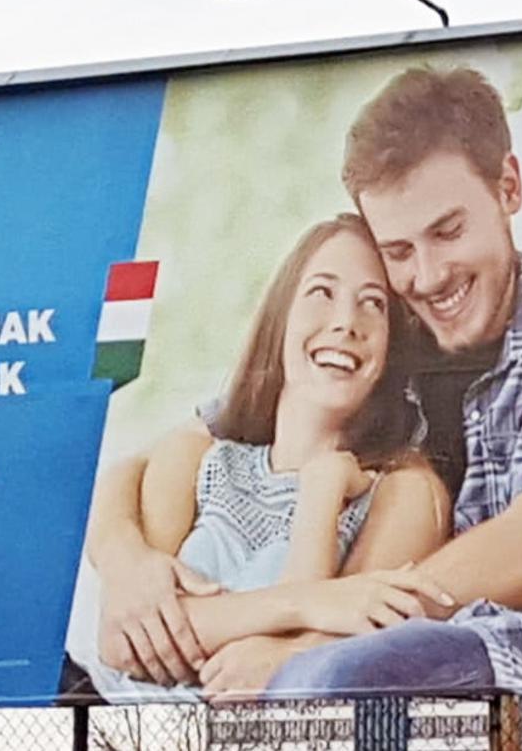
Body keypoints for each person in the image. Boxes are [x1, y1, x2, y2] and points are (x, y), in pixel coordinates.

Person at [85, 65, 522, 699]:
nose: (427, 275)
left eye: (448, 232)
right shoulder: (380, 337)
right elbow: (142, 464)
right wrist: (131, 570)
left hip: (517, 660)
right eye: (398, 250)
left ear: (508, 187)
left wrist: (317, 641)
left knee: (329, 679)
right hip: (354, 654)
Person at [66, 215, 451, 704]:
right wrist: (307, 604)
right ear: (280, 318)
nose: (345, 323)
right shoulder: (203, 458)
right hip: (105, 713)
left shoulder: (399, 491)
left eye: (373, 304)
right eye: (321, 292)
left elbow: (315, 662)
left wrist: (323, 488)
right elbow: (127, 641)